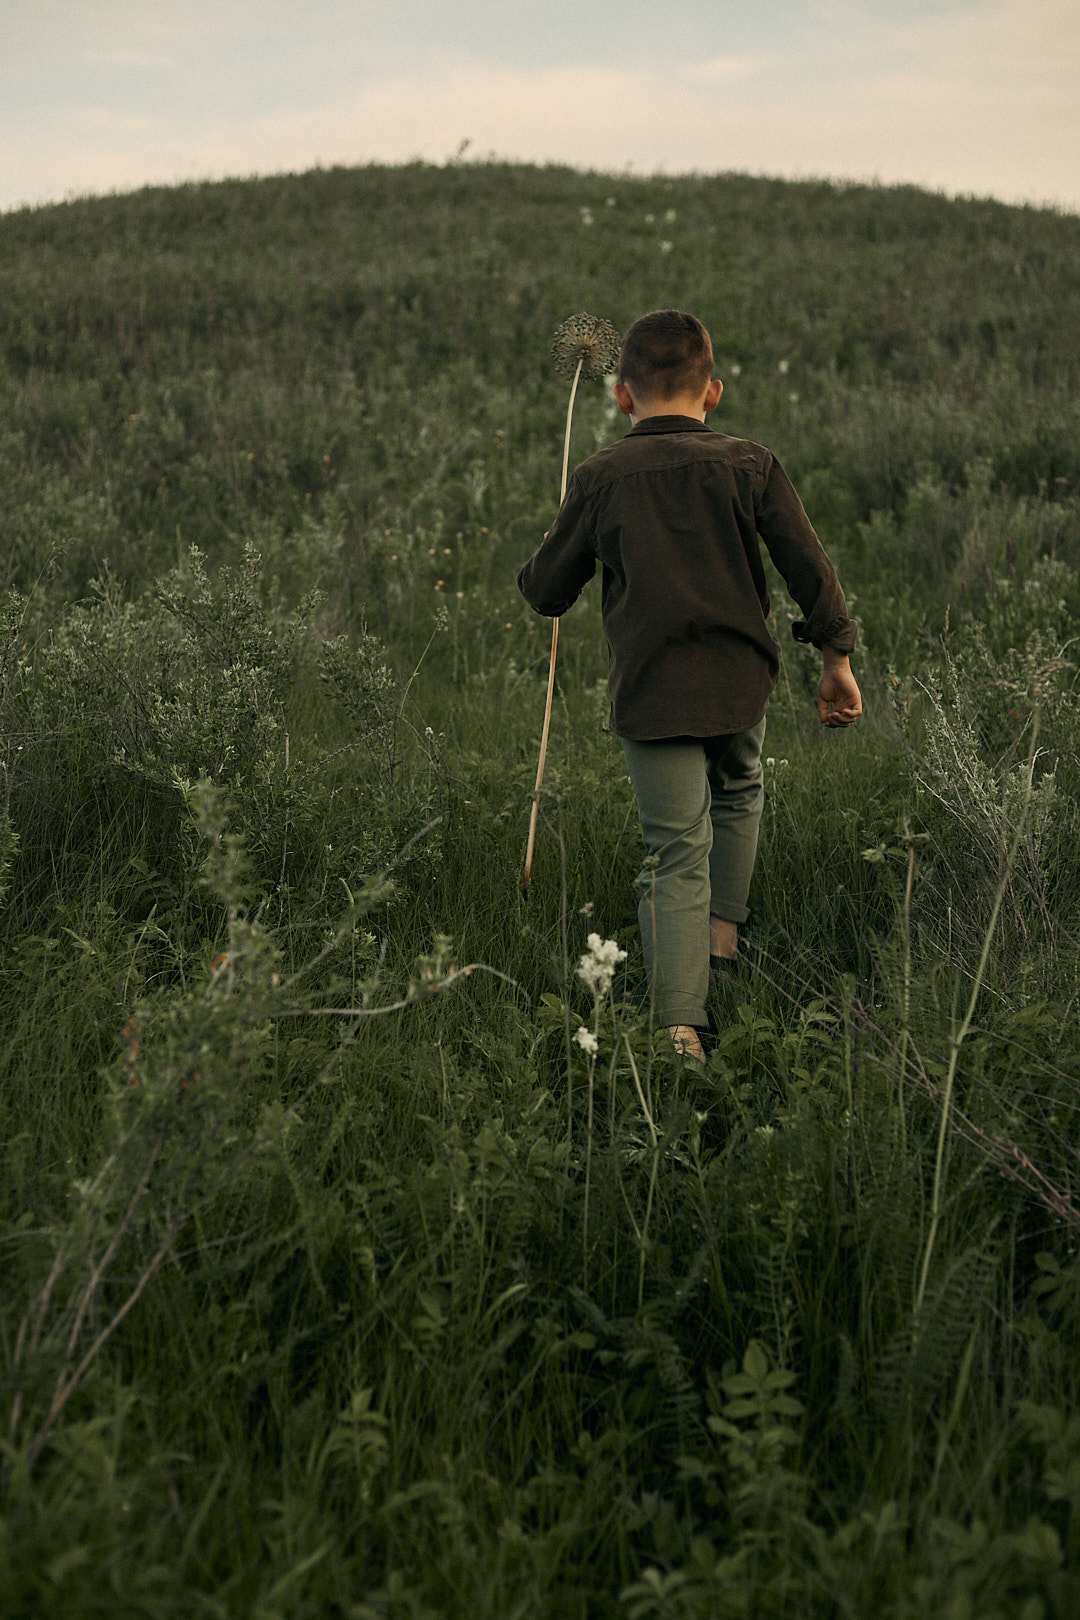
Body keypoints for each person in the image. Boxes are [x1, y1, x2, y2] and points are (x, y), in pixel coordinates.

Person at [517, 309, 861, 1063]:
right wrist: (836, 655)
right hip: (742, 682)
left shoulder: (600, 477)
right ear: (713, 392)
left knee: (676, 848)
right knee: (737, 793)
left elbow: (546, 592)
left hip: (654, 692)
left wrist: (552, 544)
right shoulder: (751, 464)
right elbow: (810, 567)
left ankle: (679, 1029)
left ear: (622, 397)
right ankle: (720, 947)